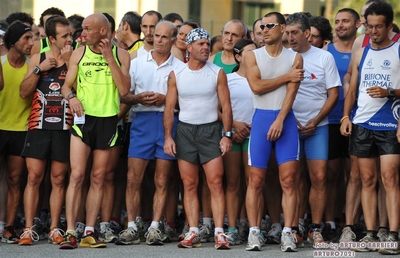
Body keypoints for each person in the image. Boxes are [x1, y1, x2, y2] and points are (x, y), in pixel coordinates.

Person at [59, 13, 130, 249]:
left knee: (98, 178)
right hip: (83, 118)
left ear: (103, 31)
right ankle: (70, 231)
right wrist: (71, 97)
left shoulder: (121, 54)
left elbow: (125, 90)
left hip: (108, 120)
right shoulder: (79, 52)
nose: (82, 33)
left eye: (88, 29)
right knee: (77, 175)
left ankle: (90, 231)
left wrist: (110, 58)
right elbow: (66, 85)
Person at [164, 27, 232, 250]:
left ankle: (219, 232)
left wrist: (227, 134)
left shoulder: (217, 72)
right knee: (189, 184)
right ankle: (193, 231)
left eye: (207, 44)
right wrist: (168, 137)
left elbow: (226, 106)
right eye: (200, 44)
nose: (205, 47)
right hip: (185, 131)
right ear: (189, 47)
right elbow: (169, 108)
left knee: (215, 183)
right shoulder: (177, 74)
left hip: (211, 130)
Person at [340, 2, 400, 255]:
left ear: (388, 26)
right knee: (367, 180)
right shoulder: (360, 50)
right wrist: (345, 116)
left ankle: (393, 235)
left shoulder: (398, 48)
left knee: (390, 179)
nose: (373, 32)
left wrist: (390, 92)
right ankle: (371, 233)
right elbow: (352, 88)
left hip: (390, 123)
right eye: (369, 26)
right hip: (362, 122)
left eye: (378, 27)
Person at [118, 20, 184, 246]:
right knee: (133, 177)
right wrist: (137, 98)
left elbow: (185, 102)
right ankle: (132, 226)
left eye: (164, 37)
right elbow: (125, 95)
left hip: (168, 122)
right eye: (156, 35)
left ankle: (155, 227)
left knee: (163, 178)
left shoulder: (180, 67)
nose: (158, 40)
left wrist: (166, 99)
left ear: (174, 40)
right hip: (142, 121)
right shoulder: (137, 63)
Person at [244, 12, 303, 252]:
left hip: (285, 119)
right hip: (261, 118)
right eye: (261, 27)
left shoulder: (295, 57)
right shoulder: (251, 56)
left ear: (282, 28)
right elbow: (256, 87)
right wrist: (287, 76)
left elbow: (291, 93)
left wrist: (280, 119)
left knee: (289, 180)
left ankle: (288, 232)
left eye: (270, 25)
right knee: (255, 180)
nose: (264, 30)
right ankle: (254, 232)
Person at [286, 12, 340, 245]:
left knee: (319, 177)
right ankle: (296, 226)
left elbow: (334, 94)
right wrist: (290, 118)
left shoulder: (324, 57)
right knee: (294, 178)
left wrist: (316, 120)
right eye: (287, 33)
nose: (290, 37)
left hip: (318, 126)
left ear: (307, 33)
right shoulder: (283, 57)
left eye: (294, 32)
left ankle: (315, 227)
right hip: (290, 125)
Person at [18, 16, 73, 246]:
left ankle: (54, 228)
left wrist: (70, 65)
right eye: (65, 36)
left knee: (59, 179)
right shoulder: (37, 59)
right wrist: (40, 69)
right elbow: (23, 92)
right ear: (52, 39)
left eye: (70, 34)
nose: (70, 39)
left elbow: (79, 91)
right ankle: (28, 229)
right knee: (33, 177)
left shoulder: (74, 58)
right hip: (38, 125)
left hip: (63, 126)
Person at [325, 8, 360, 243]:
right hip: (330, 120)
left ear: (358, 24)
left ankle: (352, 223)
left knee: (355, 175)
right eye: (337, 21)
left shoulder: (365, 50)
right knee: (330, 176)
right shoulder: (326, 52)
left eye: (345, 21)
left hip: (359, 121)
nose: (340, 25)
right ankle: (331, 222)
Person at [0, 20, 34, 244]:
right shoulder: (0, 63)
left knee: (14, 180)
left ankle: (9, 226)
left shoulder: (33, 66)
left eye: (32, 38)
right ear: (13, 42)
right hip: (0, 127)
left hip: (21, 130)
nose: (32, 43)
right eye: (27, 38)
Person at [223, 39, 256, 246]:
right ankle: (233, 228)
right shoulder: (227, 79)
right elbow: (218, 107)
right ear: (238, 57)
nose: (254, 56)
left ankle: (252, 227)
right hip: (233, 135)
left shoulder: (261, 78)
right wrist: (234, 125)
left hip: (255, 135)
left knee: (253, 183)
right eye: (249, 52)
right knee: (233, 183)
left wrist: (251, 127)